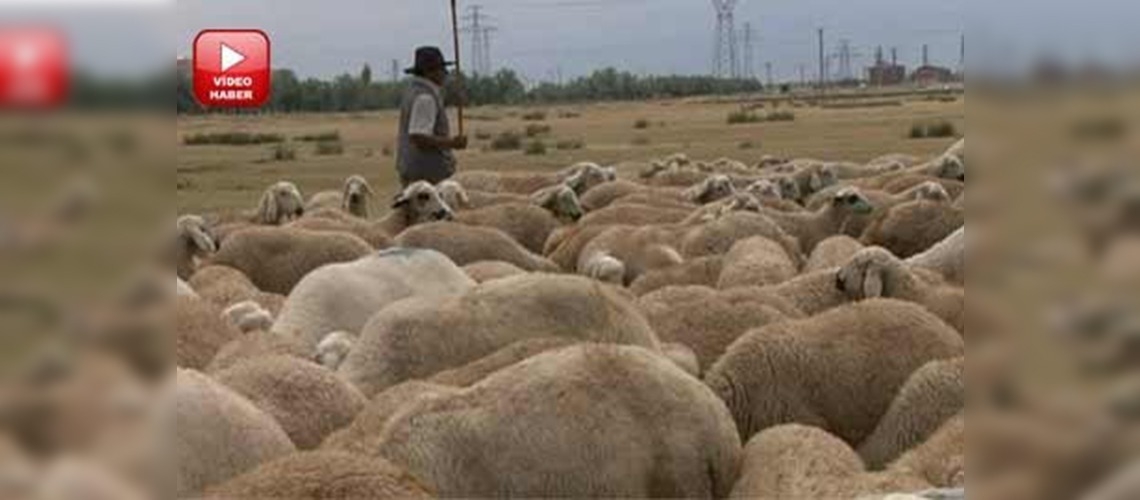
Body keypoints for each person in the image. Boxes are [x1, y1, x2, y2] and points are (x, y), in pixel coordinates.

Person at [395, 46, 467, 187]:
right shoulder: (425, 98)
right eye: (441, 69)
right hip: (427, 179)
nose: (445, 73)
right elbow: (418, 137)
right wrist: (452, 143)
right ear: (429, 72)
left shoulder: (413, 91)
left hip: (415, 173)